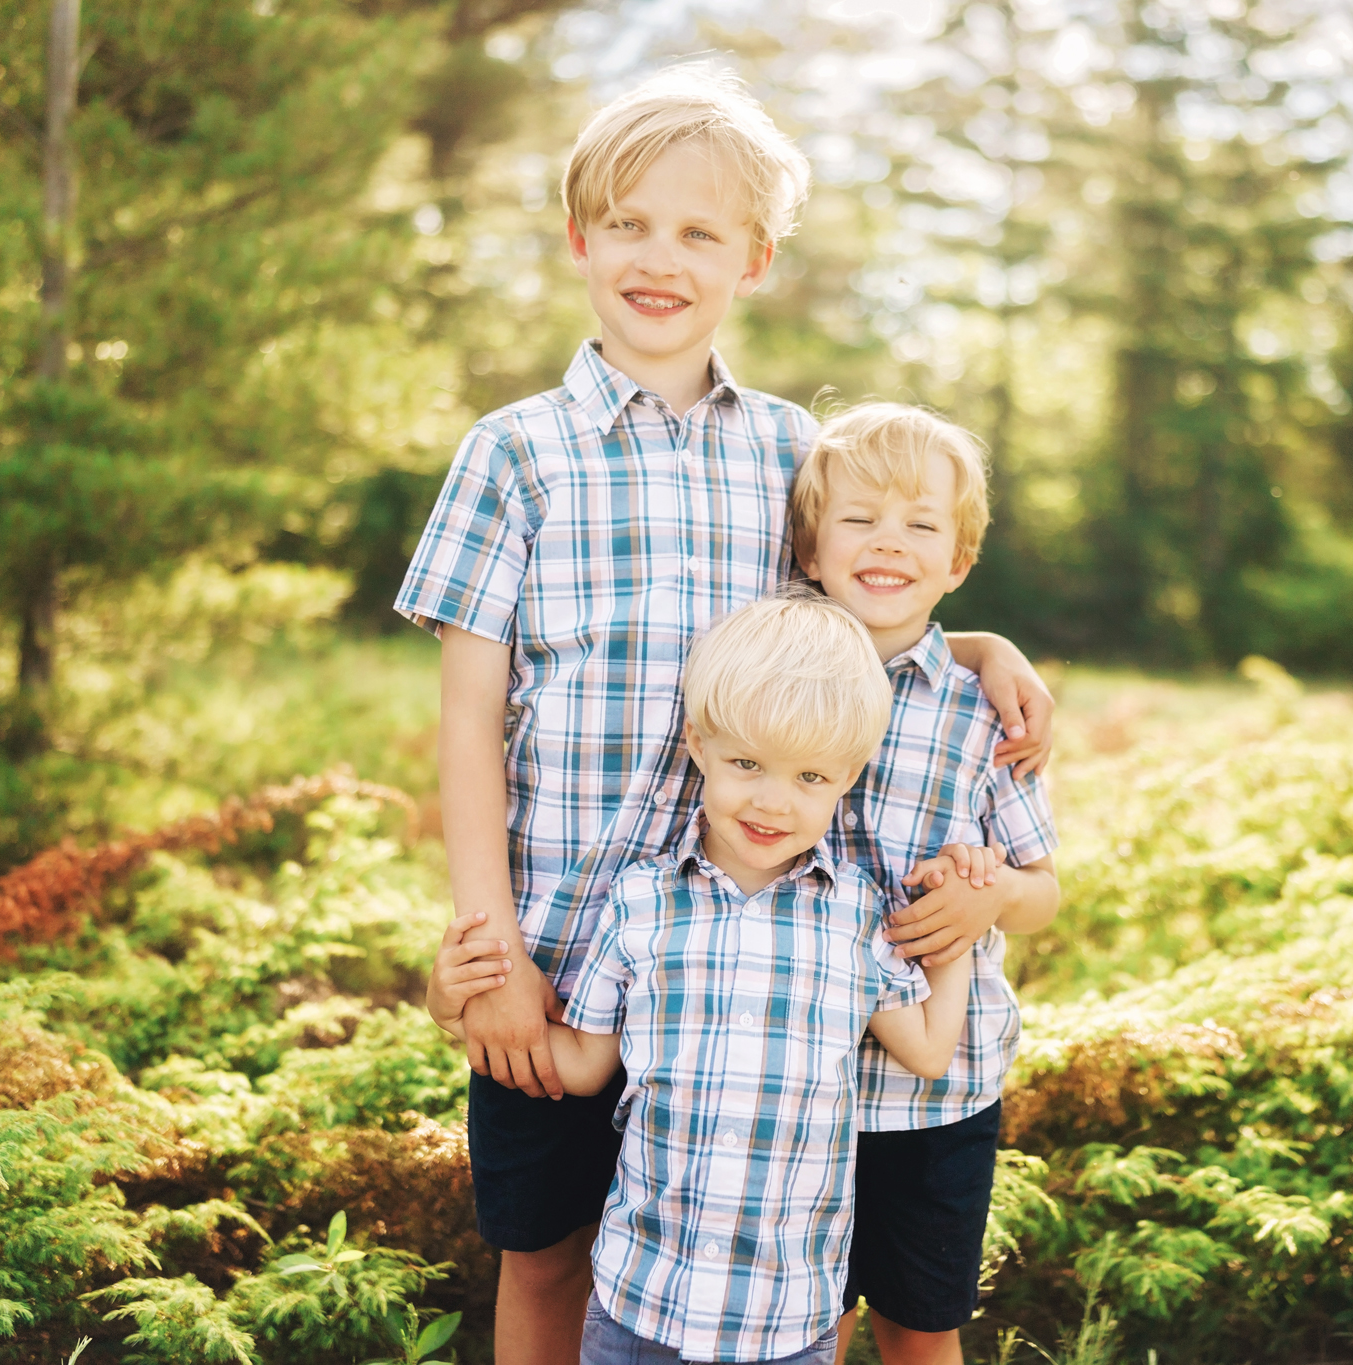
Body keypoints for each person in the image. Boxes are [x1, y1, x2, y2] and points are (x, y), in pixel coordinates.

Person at [394, 66, 1054, 1365]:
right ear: (581, 238)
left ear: (753, 259)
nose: (660, 258)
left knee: (747, 1261)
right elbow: (469, 724)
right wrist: (492, 950)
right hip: (566, 948)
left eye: (700, 233)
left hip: (739, 964)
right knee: (549, 1253)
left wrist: (979, 644)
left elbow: (869, 618)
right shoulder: (515, 454)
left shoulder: (792, 453)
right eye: (630, 224)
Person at [431, 591, 977, 1365]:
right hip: (640, 1304)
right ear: (698, 742)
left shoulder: (855, 913)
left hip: (788, 1317)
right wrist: (453, 1010)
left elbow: (924, 1049)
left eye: (810, 776)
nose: (771, 799)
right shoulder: (642, 903)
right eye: (746, 762)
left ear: (847, 777)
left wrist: (955, 935)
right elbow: (583, 1065)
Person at [788, 405, 1060, 1365]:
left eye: (920, 524)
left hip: (937, 1098)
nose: (888, 542)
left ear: (957, 562)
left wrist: (992, 901)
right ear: (811, 550)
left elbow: (1044, 889)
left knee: (921, 1321)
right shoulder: (772, 681)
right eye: (859, 519)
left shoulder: (987, 716)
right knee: (805, 1317)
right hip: (794, 1072)